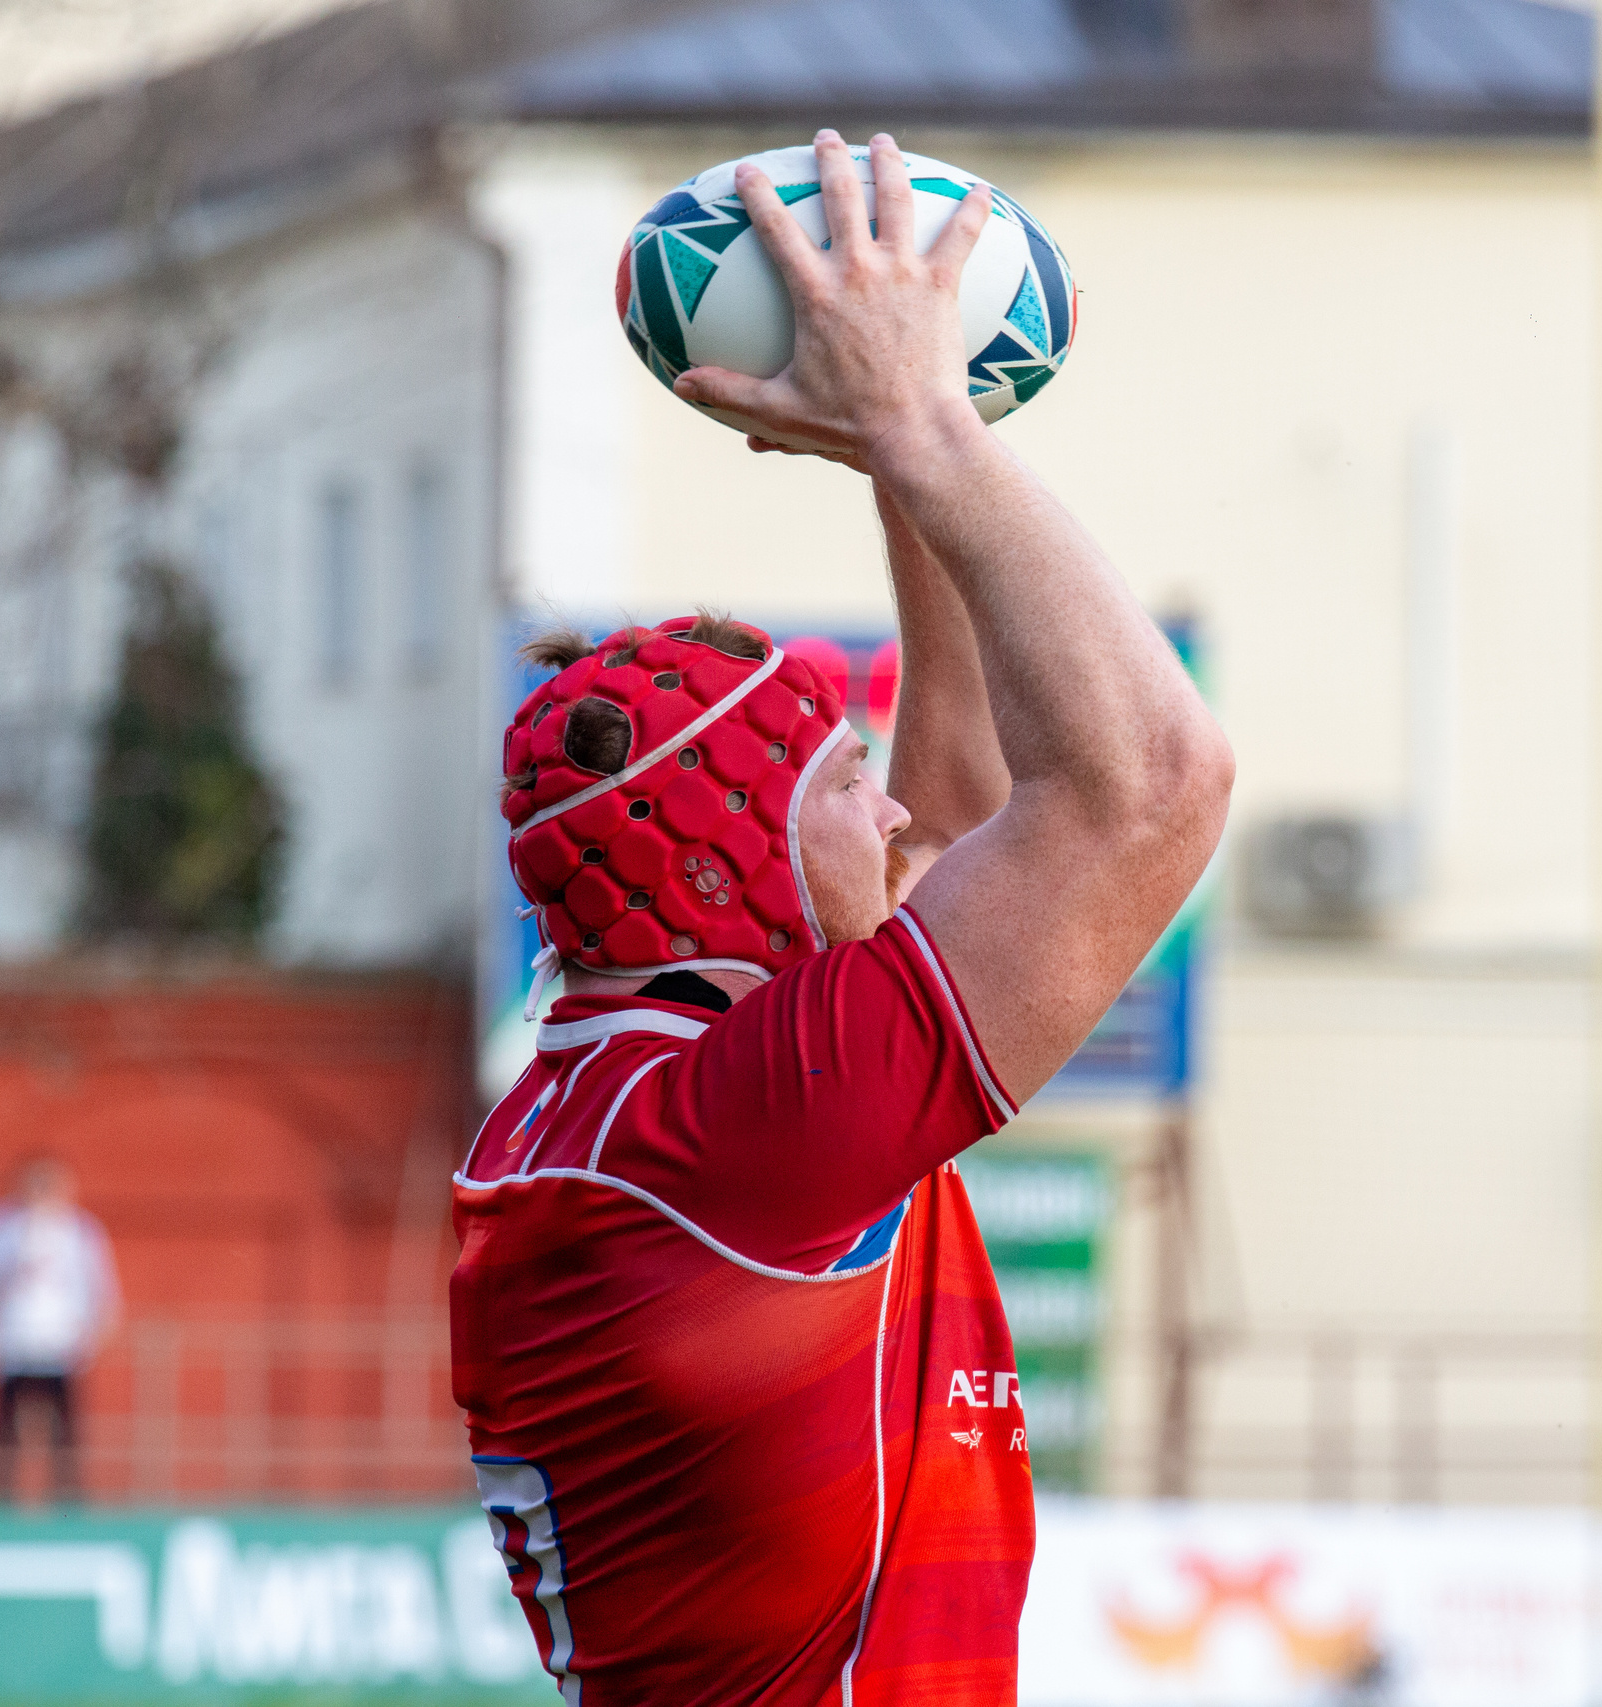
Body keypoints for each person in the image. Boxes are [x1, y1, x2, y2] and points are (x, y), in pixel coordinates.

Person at [452, 130, 1232, 1707]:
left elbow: (959, 813)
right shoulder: (736, 1140)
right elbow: (1154, 781)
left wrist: (905, 451)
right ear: (732, 864)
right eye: (843, 783)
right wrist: (923, 422)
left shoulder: (632, 1099)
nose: (898, 820)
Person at [0, 1155, 120, 1503]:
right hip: (10, 1347)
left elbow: (102, 1292)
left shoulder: (81, 1231)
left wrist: (90, 1339)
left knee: (64, 1439)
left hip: (61, 1349)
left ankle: (68, 1516)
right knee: (4, 1438)